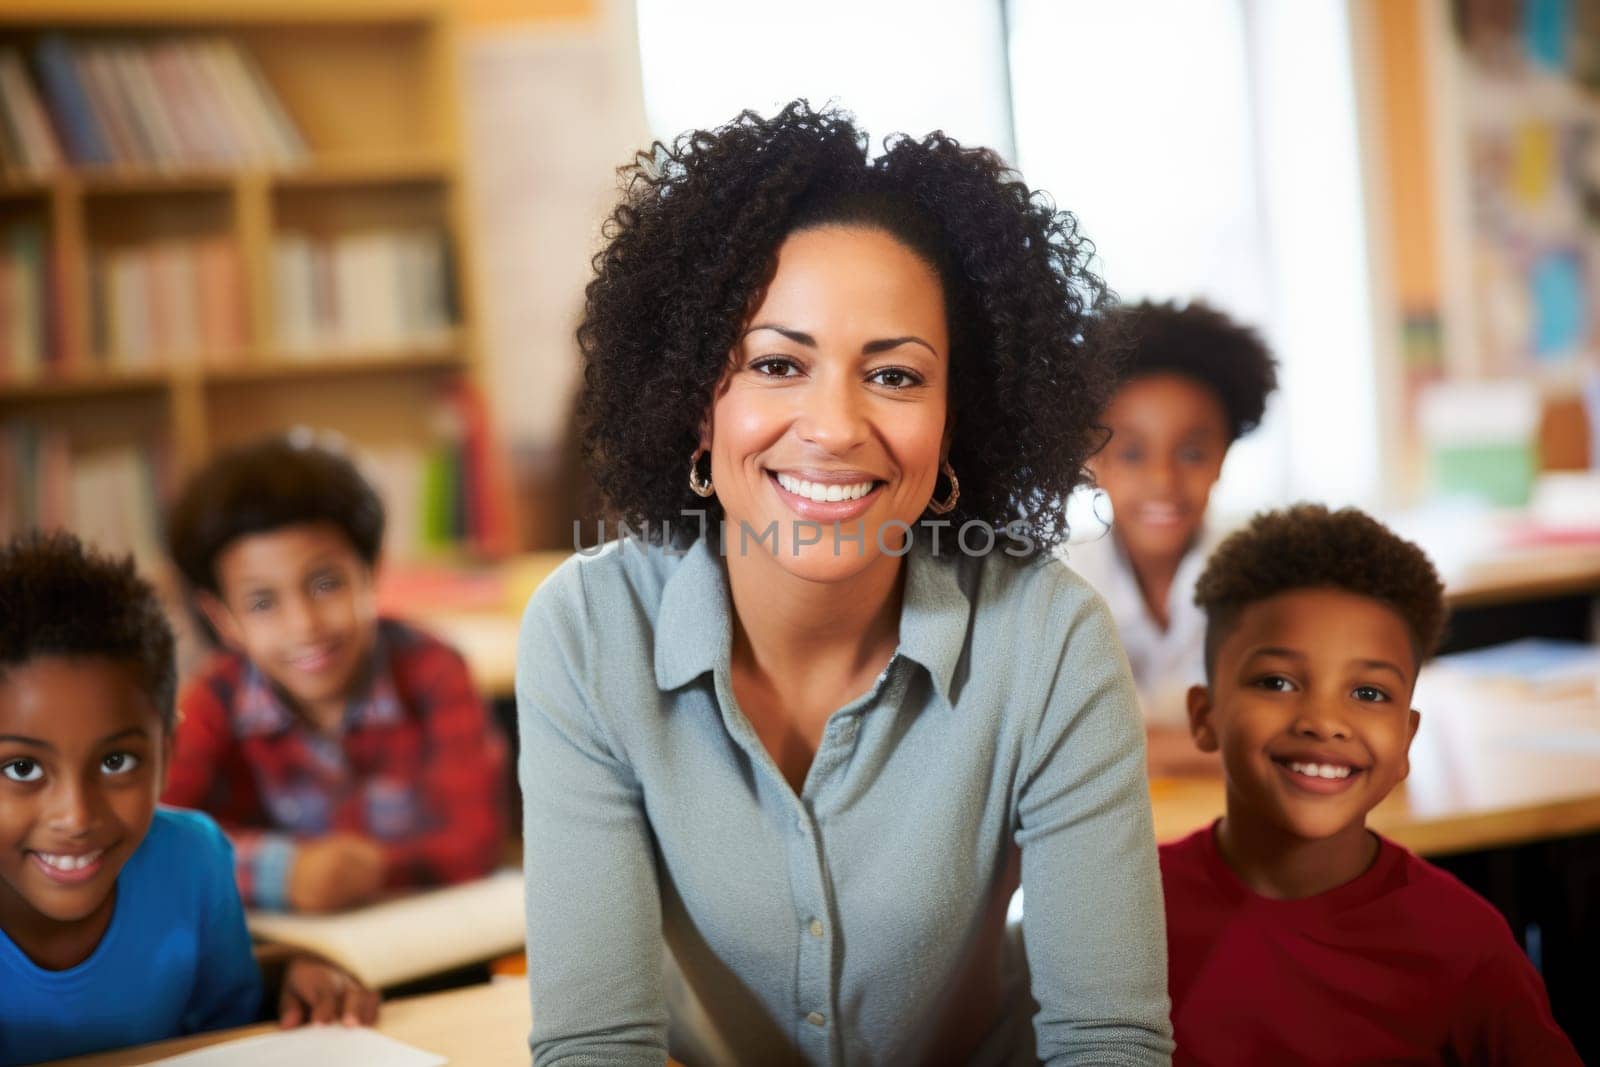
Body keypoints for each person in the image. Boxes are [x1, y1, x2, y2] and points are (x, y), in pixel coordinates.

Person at [518, 101, 1171, 1064]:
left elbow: (1108, 1042)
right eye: (778, 363)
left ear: (958, 418)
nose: (833, 426)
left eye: (897, 377)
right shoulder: (585, 628)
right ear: (698, 406)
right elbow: (596, 1047)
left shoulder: (1049, 633)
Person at [1162, 504, 1580, 1065]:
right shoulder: (1127, 910)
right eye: (1278, 681)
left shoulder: (1462, 943)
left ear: (1407, 740)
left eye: (1369, 693)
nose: (1323, 720)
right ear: (1205, 716)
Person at [0, 531, 377, 1066]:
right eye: (22, 768)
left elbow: (226, 1032)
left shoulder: (192, 860)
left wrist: (291, 973)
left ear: (168, 750)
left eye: (116, 762)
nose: (77, 816)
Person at [161, 435, 508, 913]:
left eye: (326, 584)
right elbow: (155, 840)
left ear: (370, 572)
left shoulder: (433, 671)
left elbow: (475, 840)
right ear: (223, 618)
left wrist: (368, 872)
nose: (304, 625)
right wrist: (283, 873)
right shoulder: (211, 703)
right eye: (263, 602)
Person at [1067, 301, 1276, 771]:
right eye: (1133, 453)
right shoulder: (1054, 584)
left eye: (1193, 453)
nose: (1163, 481)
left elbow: (1280, 740)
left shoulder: (1267, 576)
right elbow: (1056, 753)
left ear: (1224, 457)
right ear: (1091, 459)